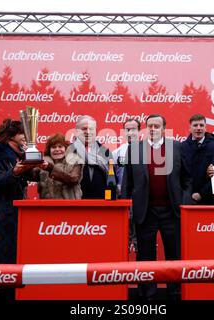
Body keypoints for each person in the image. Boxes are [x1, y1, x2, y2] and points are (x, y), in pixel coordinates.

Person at [121, 114, 191, 300]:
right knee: (145, 255)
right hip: (145, 211)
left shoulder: (176, 147)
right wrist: (125, 205)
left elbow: (187, 178)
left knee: (174, 254)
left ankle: (175, 292)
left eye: (157, 126)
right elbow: (127, 181)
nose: (153, 129)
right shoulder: (135, 148)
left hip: (171, 210)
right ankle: (147, 294)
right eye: (150, 125)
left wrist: (183, 199)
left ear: (164, 128)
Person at [0, 119, 46, 300]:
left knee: (14, 262)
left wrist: (39, 167)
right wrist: (15, 171)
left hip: (16, 213)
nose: (26, 139)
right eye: (22, 135)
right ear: (12, 135)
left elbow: (29, 176)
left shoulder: (19, 153)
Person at [68, 115, 114, 199]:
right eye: (84, 129)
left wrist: (110, 201)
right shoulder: (69, 150)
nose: (88, 132)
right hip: (74, 203)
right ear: (77, 131)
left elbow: (111, 181)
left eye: (91, 129)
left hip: (101, 204)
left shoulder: (105, 152)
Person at [112, 119, 141, 253]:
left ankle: (137, 245)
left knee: (140, 224)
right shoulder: (117, 152)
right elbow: (112, 175)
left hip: (141, 196)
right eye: (127, 129)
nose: (130, 132)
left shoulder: (146, 150)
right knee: (126, 224)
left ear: (139, 131)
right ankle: (127, 247)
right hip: (123, 196)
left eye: (133, 129)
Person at [181, 114, 214, 204]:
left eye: (201, 125)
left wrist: (202, 193)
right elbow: (181, 174)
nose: (198, 128)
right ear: (190, 128)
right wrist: (188, 193)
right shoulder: (182, 147)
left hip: (210, 198)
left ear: (205, 128)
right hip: (187, 198)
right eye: (195, 125)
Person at [35, 133, 84, 199]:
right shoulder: (43, 162)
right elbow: (31, 175)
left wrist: (51, 169)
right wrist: (28, 162)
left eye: (60, 146)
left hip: (70, 206)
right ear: (49, 150)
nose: (57, 149)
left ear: (66, 148)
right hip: (47, 206)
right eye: (53, 147)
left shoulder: (75, 160)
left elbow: (73, 179)